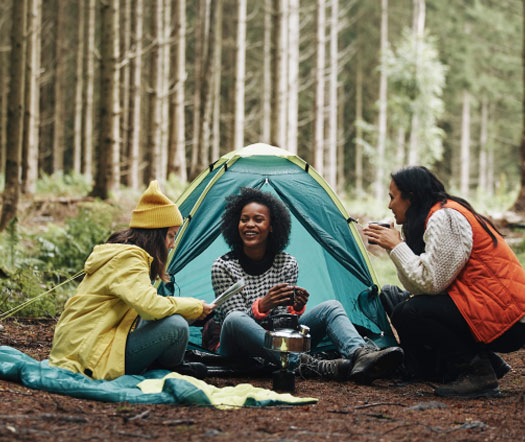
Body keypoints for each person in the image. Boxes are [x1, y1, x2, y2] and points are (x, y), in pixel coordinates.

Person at [203, 187, 403, 384]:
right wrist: (262, 306)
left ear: (272, 226)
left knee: (331, 307)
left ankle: (360, 354)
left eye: (258, 219)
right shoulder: (223, 266)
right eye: (244, 219)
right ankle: (304, 364)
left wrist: (295, 308)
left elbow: (282, 324)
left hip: (276, 342)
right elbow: (236, 325)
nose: (249, 225)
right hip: (236, 347)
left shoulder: (287, 263)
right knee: (235, 319)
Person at [363, 166, 525, 398]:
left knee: (410, 312)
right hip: (489, 308)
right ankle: (484, 362)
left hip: (508, 319)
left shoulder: (445, 217)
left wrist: (397, 247)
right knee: (397, 298)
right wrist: (397, 249)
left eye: (392, 197)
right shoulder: (437, 215)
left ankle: (477, 373)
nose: (389, 205)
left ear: (411, 197)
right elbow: (417, 286)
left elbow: (431, 283)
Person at [49, 181, 215, 380]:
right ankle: (171, 369)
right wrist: (194, 307)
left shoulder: (123, 255)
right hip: (90, 354)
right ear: (155, 234)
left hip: (87, 344)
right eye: (170, 236)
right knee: (176, 326)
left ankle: (166, 365)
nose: (172, 245)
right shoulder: (129, 260)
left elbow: (145, 308)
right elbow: (150, 306)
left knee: (170, 316)